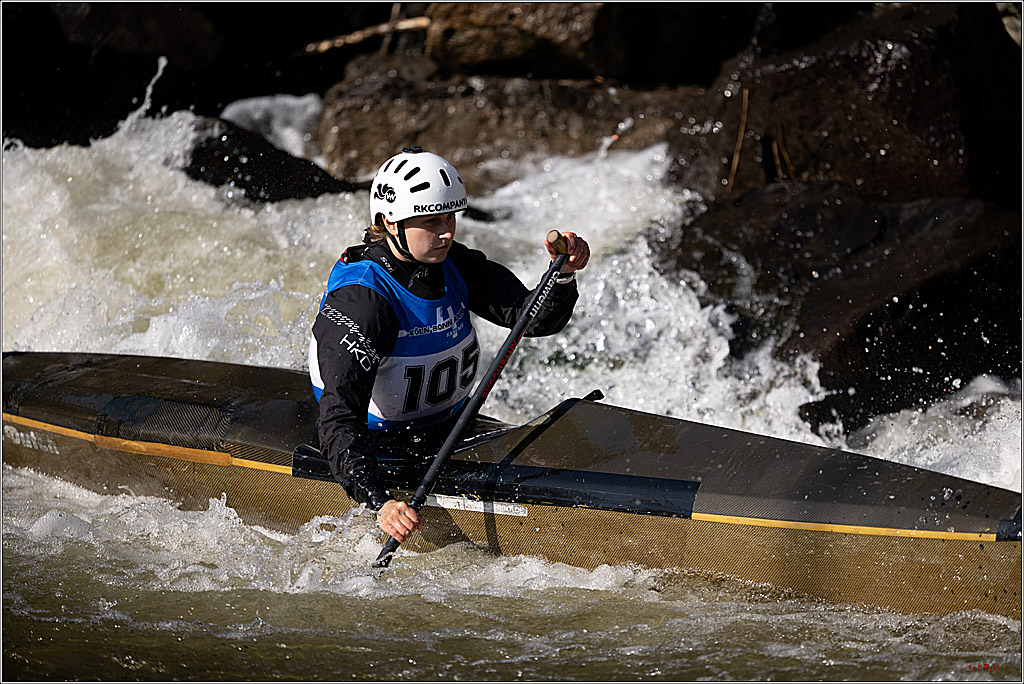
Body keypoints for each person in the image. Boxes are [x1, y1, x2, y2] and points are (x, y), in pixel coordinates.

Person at [309, 146, 590, 543]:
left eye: (449, 217)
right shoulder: (365, 304)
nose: (446, 231)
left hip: (451, 430)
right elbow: (337, 420)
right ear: (390, 223)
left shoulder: (453, 262)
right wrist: (382, 503)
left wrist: (561, 276)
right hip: (378, 448)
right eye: (430, 221)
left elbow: (532, 318)